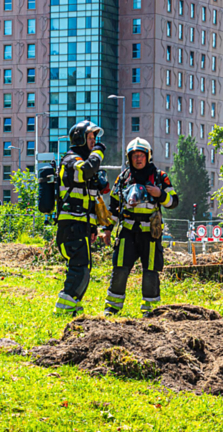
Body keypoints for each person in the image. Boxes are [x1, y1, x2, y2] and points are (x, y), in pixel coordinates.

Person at [103, 138, 178, 316]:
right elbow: (114, 206)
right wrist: (107, 229)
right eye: (134, 155)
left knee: (150, 271)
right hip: (127, 232)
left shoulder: (160, 177)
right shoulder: (123, 178)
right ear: (129, 158)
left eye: (141, 155)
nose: (138, 159)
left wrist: (160, 194)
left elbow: (174, 201)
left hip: (150, 234)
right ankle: (112, 308)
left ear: (148, 156)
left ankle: (150, 311)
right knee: (120, 268)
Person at [54, 120, 109, 314]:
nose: (94, 142)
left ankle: (73, 307)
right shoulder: (71, 160)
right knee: (80, 267)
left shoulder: (81, 160)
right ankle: (64, 308)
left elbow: (91, 200)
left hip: (81, 225)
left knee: (83, 267)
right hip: (71, 226)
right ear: (80, 139)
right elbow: (85, 171)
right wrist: (99, 153)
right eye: (91, 138)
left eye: (95, 139)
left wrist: (93, 228)